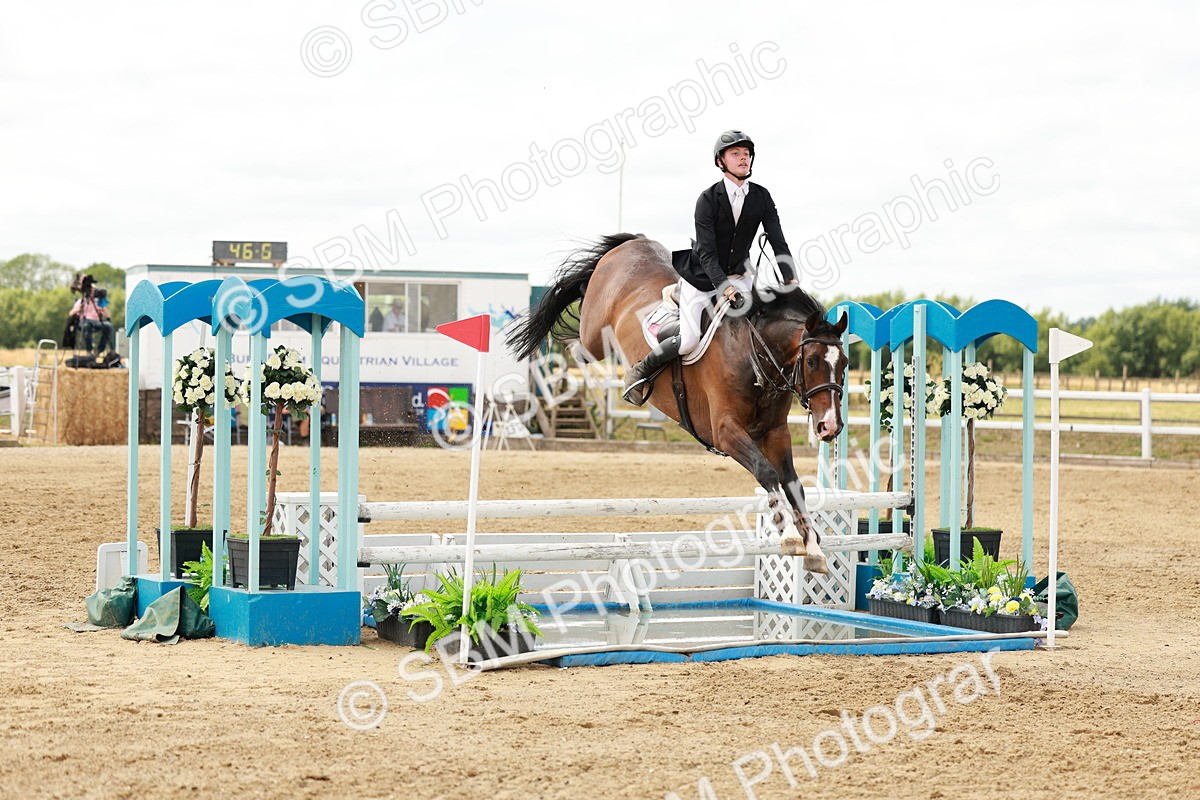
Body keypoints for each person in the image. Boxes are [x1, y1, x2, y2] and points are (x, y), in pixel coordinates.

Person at [623, 130, 798, 405]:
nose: (744, 159)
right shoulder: (707, 199)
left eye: (747, 154)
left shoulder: (761, 197)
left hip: (740, 276)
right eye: (736, 154)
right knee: (690, 340)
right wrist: (723, 286)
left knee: (756, 328)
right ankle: (640, 371)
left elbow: (777, 240)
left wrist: (790, 278)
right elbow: (706, 253)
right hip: (704, 278)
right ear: (721, 162)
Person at [71, 286, 115, 353]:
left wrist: (103, 309)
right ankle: (89, 350)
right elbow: (71, 313)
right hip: (84, 322)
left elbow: (108, 316)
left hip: (96, 322)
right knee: (87, 325)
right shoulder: (81, 301)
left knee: (108, 326)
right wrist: (78, 309)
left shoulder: (98, 302)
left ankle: (99, 350)